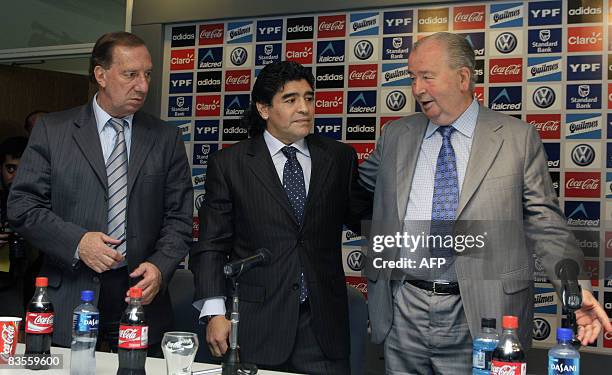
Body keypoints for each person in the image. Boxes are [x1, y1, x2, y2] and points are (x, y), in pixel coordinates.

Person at [359, 32, 612, 374]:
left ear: (463, 77)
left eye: (427, 77)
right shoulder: (396, 135)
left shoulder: (516, 139)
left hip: (483, 313)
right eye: (412, 78)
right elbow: (353, 190)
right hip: (403, 308)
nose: (417, 88)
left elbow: (546, 223)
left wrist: (572, 289)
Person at [7, 32, 193, 353]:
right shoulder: (54, 131)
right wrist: (78, 242)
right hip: (69, 293)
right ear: (101, 75)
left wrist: (160, 267)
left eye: (147, 74)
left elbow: (178, 218)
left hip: (139, 297)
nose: (143, 86)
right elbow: (23, 206)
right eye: (130, 74)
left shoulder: (165, 138)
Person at [190, 61, 369, 375]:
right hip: (255, 326)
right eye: (291, 99)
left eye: (309, 98)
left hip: (323, 329)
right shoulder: (229, 164)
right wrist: (215, 312)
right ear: (263, 108)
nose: (305, 108)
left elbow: (366, 219)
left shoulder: (339, 158)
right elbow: (211, 246)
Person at [0, 136, 32, 317]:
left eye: (23, 169)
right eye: (10, 169)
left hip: (26, 278)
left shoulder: (45, 202)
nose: (16, 177)